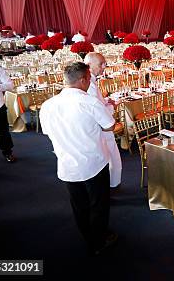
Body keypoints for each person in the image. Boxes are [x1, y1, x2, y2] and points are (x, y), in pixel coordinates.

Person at [40, 62, 117, 255]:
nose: (90, 82)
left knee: (79, 205)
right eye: (89, 79)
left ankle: (87, 236)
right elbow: (109, 126)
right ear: (82, 80)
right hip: (93, 162)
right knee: (98, 203)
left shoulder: (47, 105)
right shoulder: (89, 102)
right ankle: (99, 240)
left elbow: (47, 132)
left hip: (67, 163)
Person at [84, 53, 122, 188]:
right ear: (89, 65)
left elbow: (97, 103)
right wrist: (110, 106)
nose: (104, 67)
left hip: (100, 127)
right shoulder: (89, 84)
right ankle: (112, 186)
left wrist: (105, 101)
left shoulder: (91, 81)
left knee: (111, 157)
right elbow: (96, 110)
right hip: (101, 128)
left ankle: (111, 184)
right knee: (111, 157)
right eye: (101, 64)